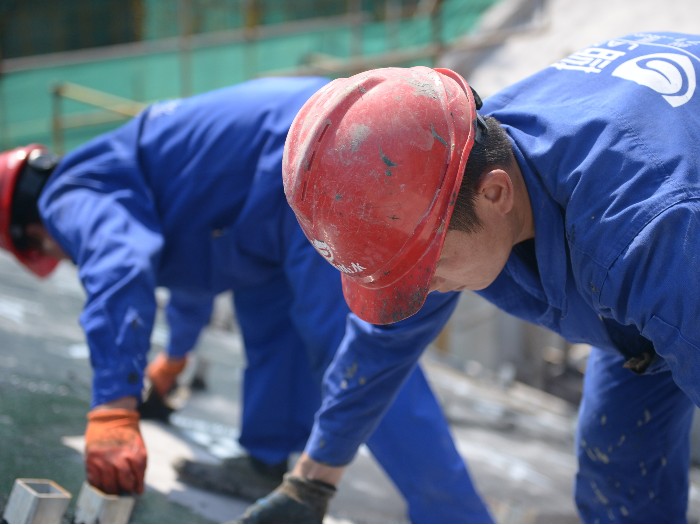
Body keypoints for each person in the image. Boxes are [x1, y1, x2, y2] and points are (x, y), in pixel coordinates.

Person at [242, 31, 700, 523]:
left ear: (495, 195)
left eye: (427, 271)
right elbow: (380, 347)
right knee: (618, 468)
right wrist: (310, 483)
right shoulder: (453, 165)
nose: (424, 290)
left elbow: (662, 262)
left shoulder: (649, 237)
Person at [0, 76, 495, 523]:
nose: (62, 255)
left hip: (319, 159)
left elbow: (121, 266)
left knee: (358, 354)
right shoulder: (125, 170)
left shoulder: (67, 195)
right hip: (285, 179)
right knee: (267, 312)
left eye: (51, 252)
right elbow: (189, 276)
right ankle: (266, 456)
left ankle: (454, 516)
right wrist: (173, 360)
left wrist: (113, 405)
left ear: (32, 232)